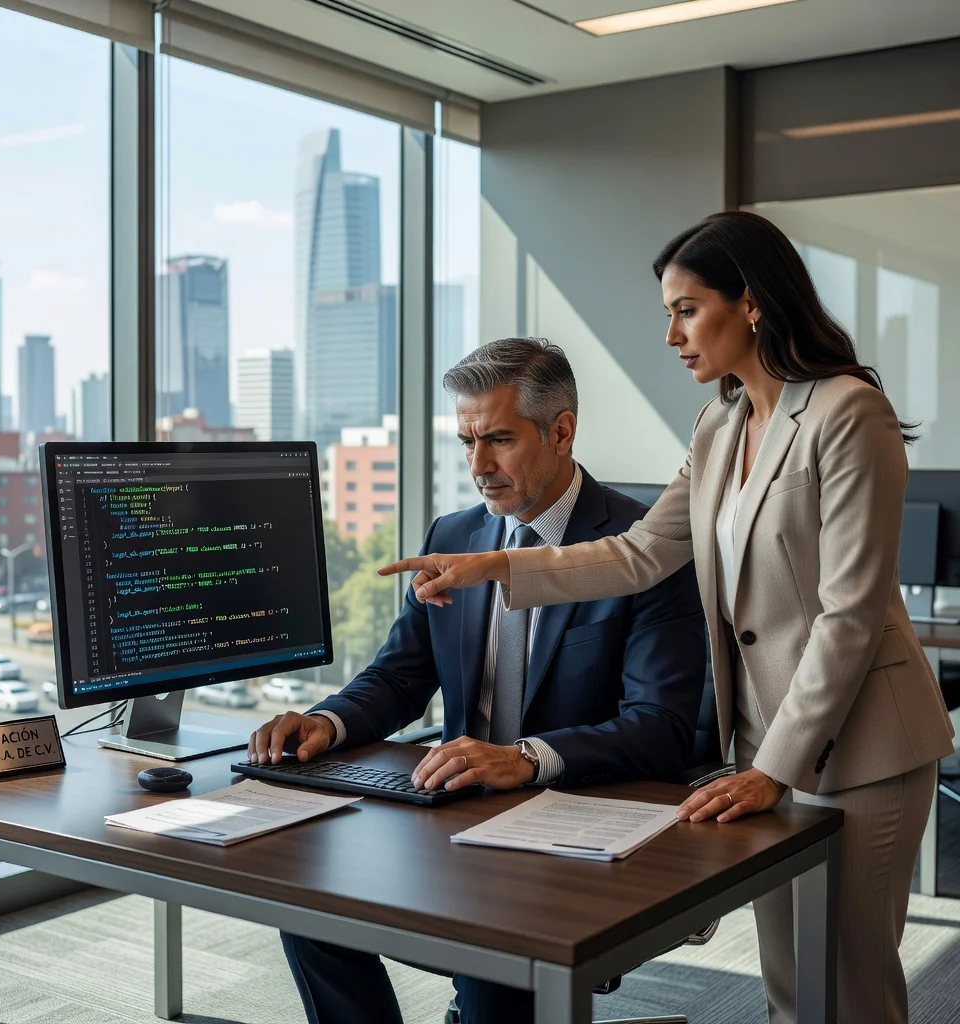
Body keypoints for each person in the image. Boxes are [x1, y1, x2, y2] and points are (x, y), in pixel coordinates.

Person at [381, 212, 956, 1024]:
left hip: (859, 747)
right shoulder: (721, 423)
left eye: (686, 309)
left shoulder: (845, 413)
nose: (671, 334)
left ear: (749, 303)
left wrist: (774, 768)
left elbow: (851, 615)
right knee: (791, 985)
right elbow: (640, 552)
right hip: (763, 745)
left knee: (850, 989)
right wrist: (496, 565)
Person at [249, 337, 707, 1024]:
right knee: (311, 906)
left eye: (497, 439)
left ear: (561, 431)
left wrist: (524, 760)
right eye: (466, 441)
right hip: (457, 821)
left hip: (574, 828)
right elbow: (400, 676)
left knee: (496, 981)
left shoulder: (643, 545)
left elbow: (660, 727)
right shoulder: (456, 534)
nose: (477, 466)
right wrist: (329, 722)